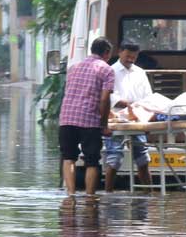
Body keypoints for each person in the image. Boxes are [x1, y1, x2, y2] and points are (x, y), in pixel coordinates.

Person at [59, 37, 114, 196]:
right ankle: (90, 196)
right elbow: (104, 99)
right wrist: (104, 125)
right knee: (91, 161)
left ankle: (70, 195)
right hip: (89, 120)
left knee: (69, 157)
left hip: (67, 118)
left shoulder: (74, 67)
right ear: (106, 53)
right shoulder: (106, 69)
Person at [105, 40, 152, 192]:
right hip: (116, 119)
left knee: (143, 158)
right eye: (128, 56)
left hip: (137, 119)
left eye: (134, 57)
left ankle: (148, 192)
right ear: (120, 52)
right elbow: (109, 97)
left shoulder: (140, 72)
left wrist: (143, 112)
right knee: (114, 159)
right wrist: (126, 104)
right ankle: (108, 192)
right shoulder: (110, 71)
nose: (131, 60)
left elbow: (148, 97)